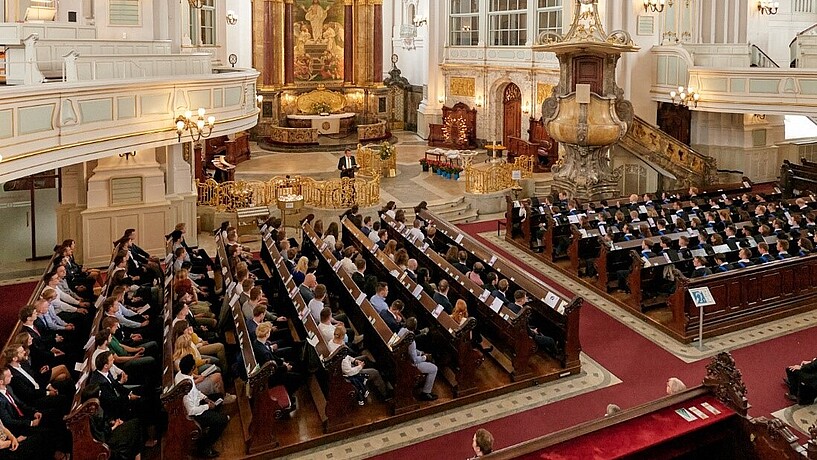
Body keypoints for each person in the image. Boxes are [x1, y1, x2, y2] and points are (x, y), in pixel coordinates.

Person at [176, 355, 229, 458]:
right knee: (223, 422)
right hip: (195, 415)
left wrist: (205, 398)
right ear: (192, 368)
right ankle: (204, 446)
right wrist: (207, 407)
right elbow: (191, 411)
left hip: (199, 404)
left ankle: (213, 419)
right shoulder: (186, 386)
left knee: (218, 397)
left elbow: (196, 391)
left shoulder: (180, 374)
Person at [399, 318, 437, 401]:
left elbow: (412, 351)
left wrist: (421, 353)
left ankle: (422, 384)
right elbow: (415, 360)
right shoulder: (410, 339)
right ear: (415, 327)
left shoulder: (401, 331)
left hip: (402, 359)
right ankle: (426, 393)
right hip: (411, 365)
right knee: (434, 368)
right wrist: (425, 357)